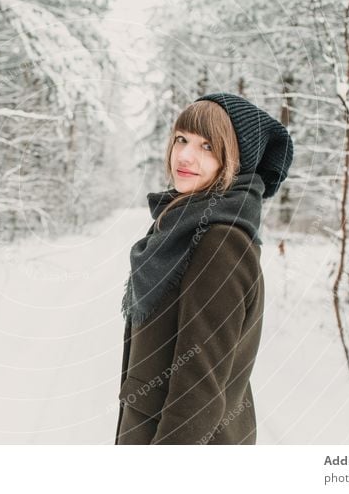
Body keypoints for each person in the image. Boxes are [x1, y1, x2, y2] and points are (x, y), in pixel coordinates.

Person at [114, 92, 293, 445]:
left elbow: (199, 389)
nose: (184, 155)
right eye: (181, 139)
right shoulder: (182, 225)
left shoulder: (221, 241)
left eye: (207, 146)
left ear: (235, 160)